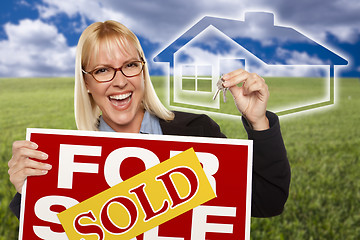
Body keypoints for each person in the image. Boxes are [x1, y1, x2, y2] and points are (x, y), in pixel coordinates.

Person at [8, 20, 290, 219]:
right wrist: (29, 193)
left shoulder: (197, 132)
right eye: (103, 70)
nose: (120, 81)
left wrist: (258, 121)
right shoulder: (65, 162)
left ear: (142, 70)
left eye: (130, 65)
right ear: (86, 84)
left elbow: (268, 201)